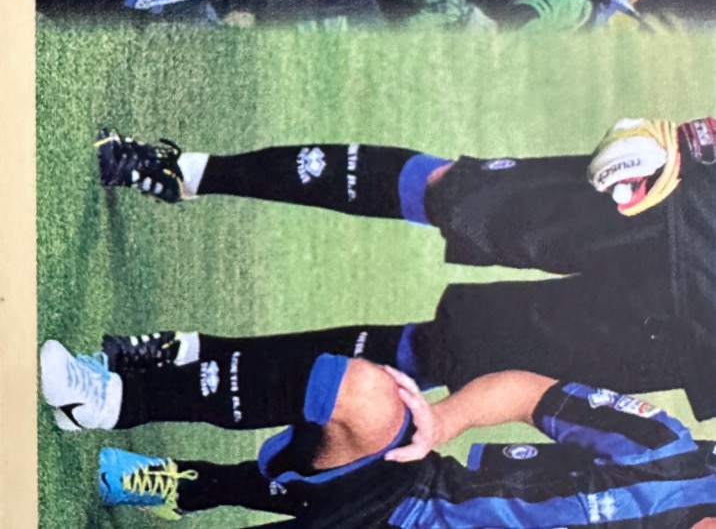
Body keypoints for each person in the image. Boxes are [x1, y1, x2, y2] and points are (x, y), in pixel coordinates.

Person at [96, 116, 716, 420]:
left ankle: (191, 358)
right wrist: (691, 139)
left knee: (444, 355)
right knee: (453, 193)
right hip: (683, 206)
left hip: (694, 340)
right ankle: (189, 172)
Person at [39, 337, 716, 527]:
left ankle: (188, 486)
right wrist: (441, 419)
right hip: (414, 496)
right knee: (366, 392)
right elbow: (530, 393)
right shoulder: (666, 452)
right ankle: (113, 400)